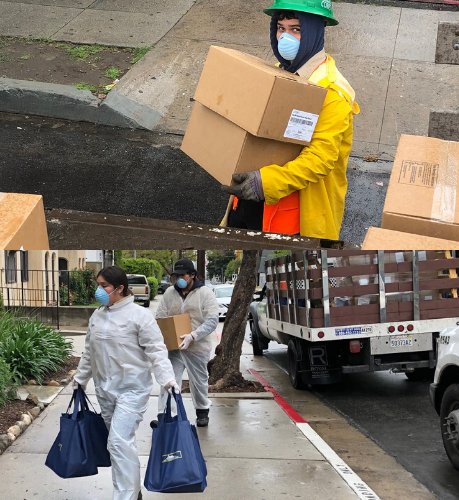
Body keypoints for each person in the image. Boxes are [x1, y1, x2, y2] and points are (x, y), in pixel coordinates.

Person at [225, 0, 359, 245]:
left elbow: (320, 159)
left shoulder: (333, 92)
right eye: (280, 28)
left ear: (315, 31)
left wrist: (266, 182)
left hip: (293, 219)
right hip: (248, 203)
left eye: (296, 29)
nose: (284, 37)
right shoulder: (280, 71)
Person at [73, 266, 179, 500]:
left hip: (132, 390)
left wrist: (167, 380)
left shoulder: (139, 316)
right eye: (98, 285)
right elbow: (90, 352)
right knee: (117, 445)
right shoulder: (97, 315)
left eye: (104, 286)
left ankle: (125, 496)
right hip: (105, 390)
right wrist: (81, 379)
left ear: (119, 288)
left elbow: (156, 350)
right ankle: (132, 490)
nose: (98, 291)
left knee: (119, 442)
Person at [155, 259, 219, 427]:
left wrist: (193, 335)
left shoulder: (205, 293)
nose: (179, 279)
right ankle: (166, 414)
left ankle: (202, 411)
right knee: (169, 380)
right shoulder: (170, 293)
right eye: (176, 276)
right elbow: (160, 316)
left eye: (182, 275)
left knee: (198, 381)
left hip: (197, 346)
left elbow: (212, 320)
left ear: (192, 275)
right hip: (174, 348)